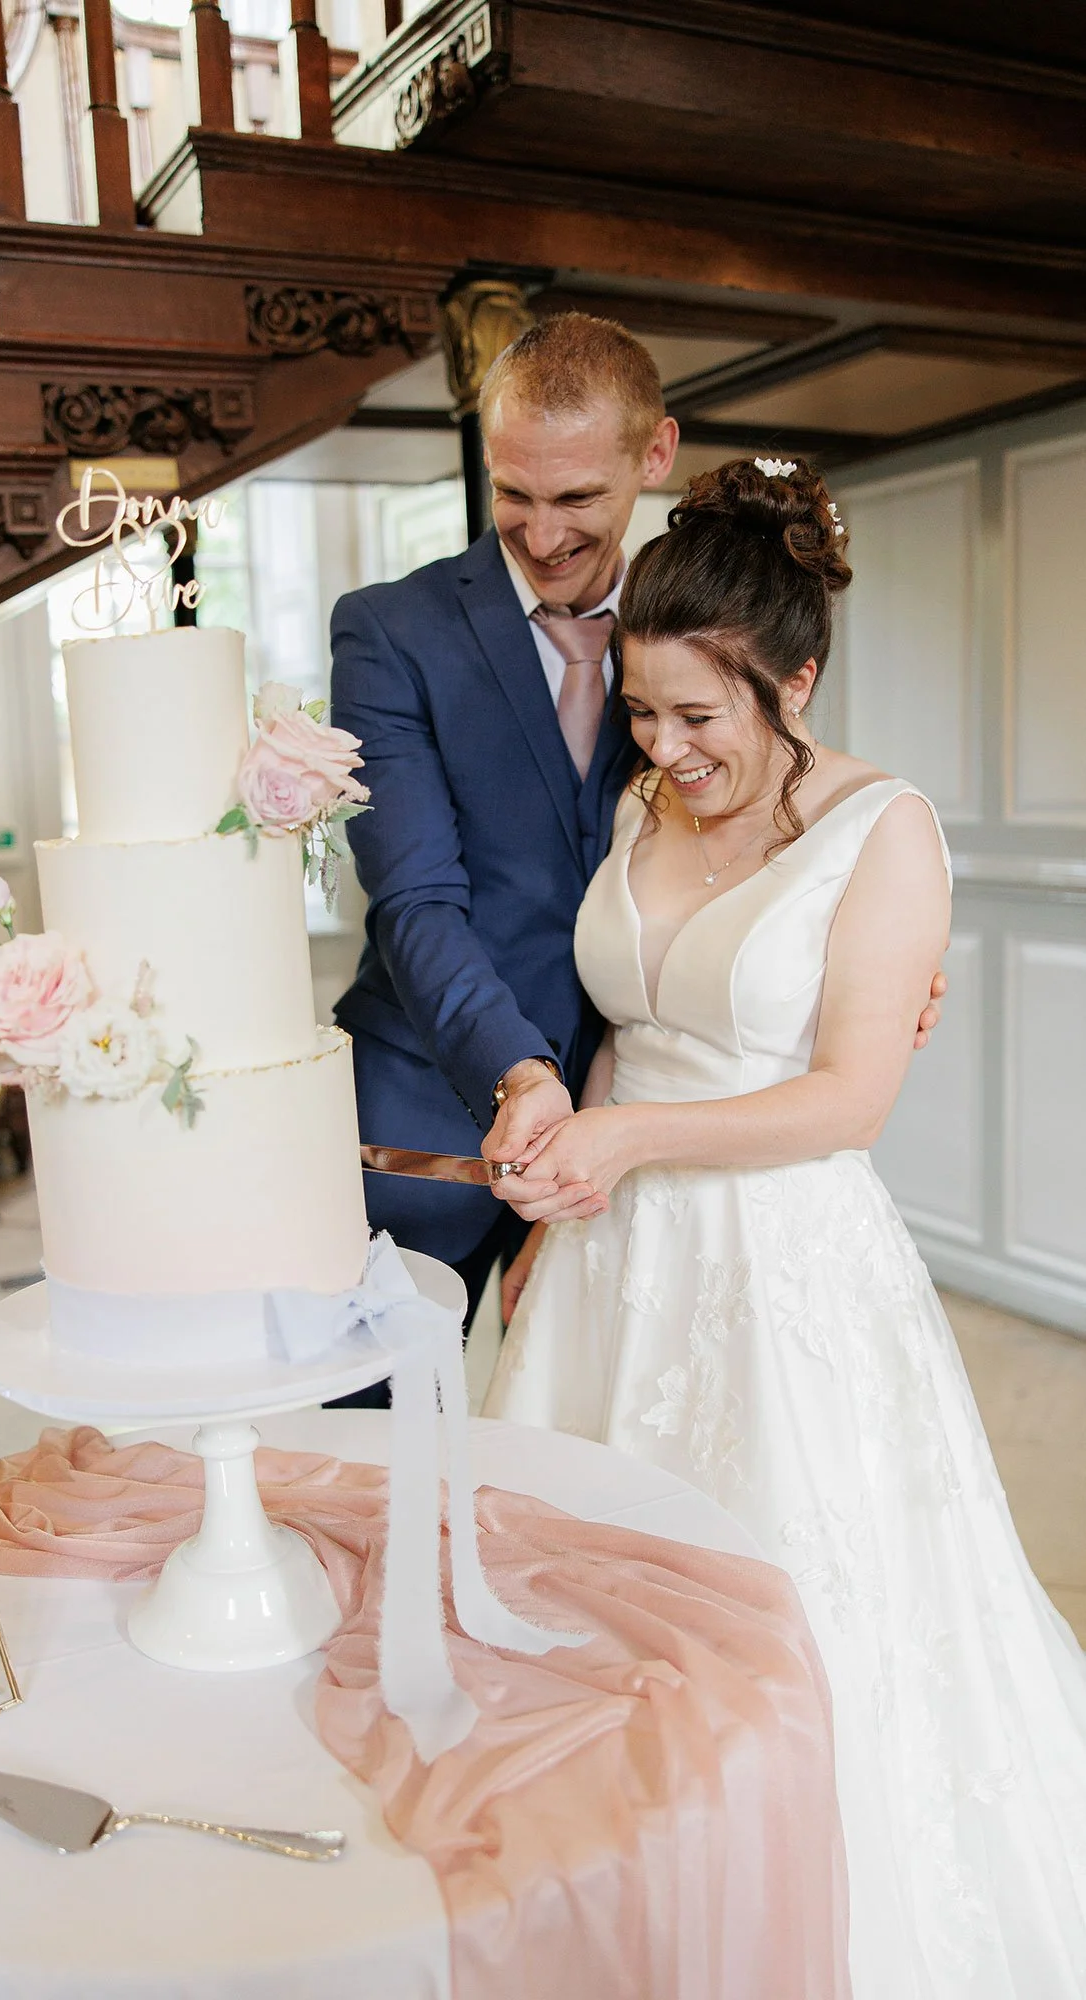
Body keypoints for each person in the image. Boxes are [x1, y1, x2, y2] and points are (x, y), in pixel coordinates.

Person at [482, 457, 1086, 1997]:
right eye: (642, 712)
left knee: (806, 1617)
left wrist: (634, 1138)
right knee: (595, 1615)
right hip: (616, 1266)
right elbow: (630, 1025)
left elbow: (848, 1102)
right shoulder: (636, 803)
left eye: (703, 716)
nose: (665, 750)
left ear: (795, 680)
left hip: (783, 1268)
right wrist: (568, 1133)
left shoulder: (885, 831)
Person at [331, 312, 945, 1340]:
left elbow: (766, 818)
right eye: (513, 493)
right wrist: (522, 1075)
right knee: (368, 1443)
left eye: (577, 496)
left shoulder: (700, 609)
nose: (542, 532)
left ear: (654, 452)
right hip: (434, 1107)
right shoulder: (392, 630)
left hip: (646, 1129)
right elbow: (416, 898)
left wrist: (870, 962)